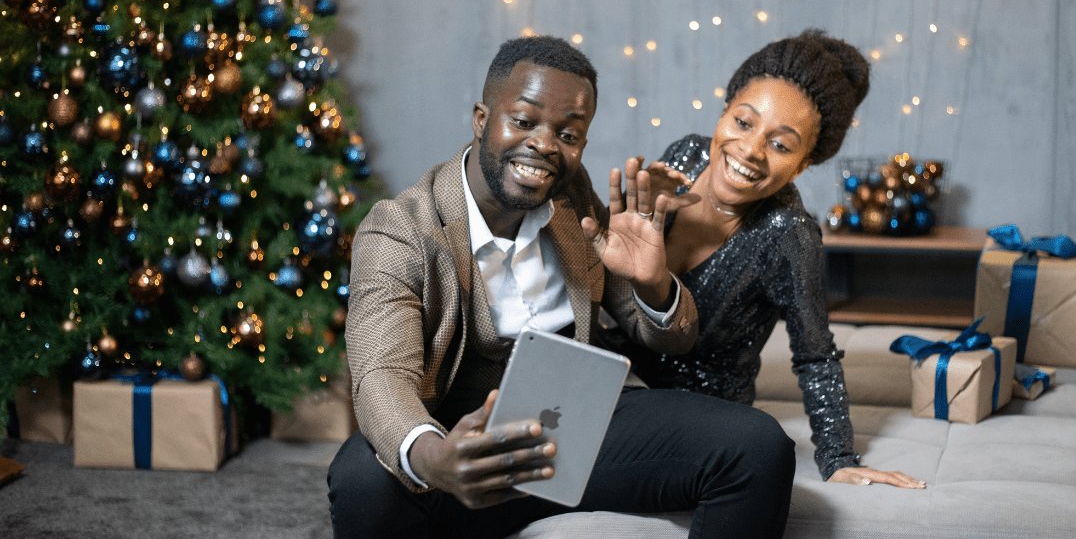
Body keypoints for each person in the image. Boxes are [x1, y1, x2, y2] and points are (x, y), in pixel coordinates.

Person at [327, 35, 798, 539]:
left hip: (580, 419)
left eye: (569, 134)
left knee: (758, 448)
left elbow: (668, 335)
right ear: (482, 120)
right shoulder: (401, 229)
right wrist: (434, 456)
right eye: (524, 121)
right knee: (361, 479)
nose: (546, 145)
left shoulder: (570, 195)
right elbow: (381, 375)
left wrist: (653, 281)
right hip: (463, 434)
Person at [616, 29, 925, 489]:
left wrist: (838, 457)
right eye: (743, 122)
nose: (750, 151)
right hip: (617, 377)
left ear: (802, 165)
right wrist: (644, 215)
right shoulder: (685, 155)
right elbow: (630, 277)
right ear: (724, 111)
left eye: (781, 145)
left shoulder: (789, 235)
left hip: (696, 409)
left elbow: (815, 355)